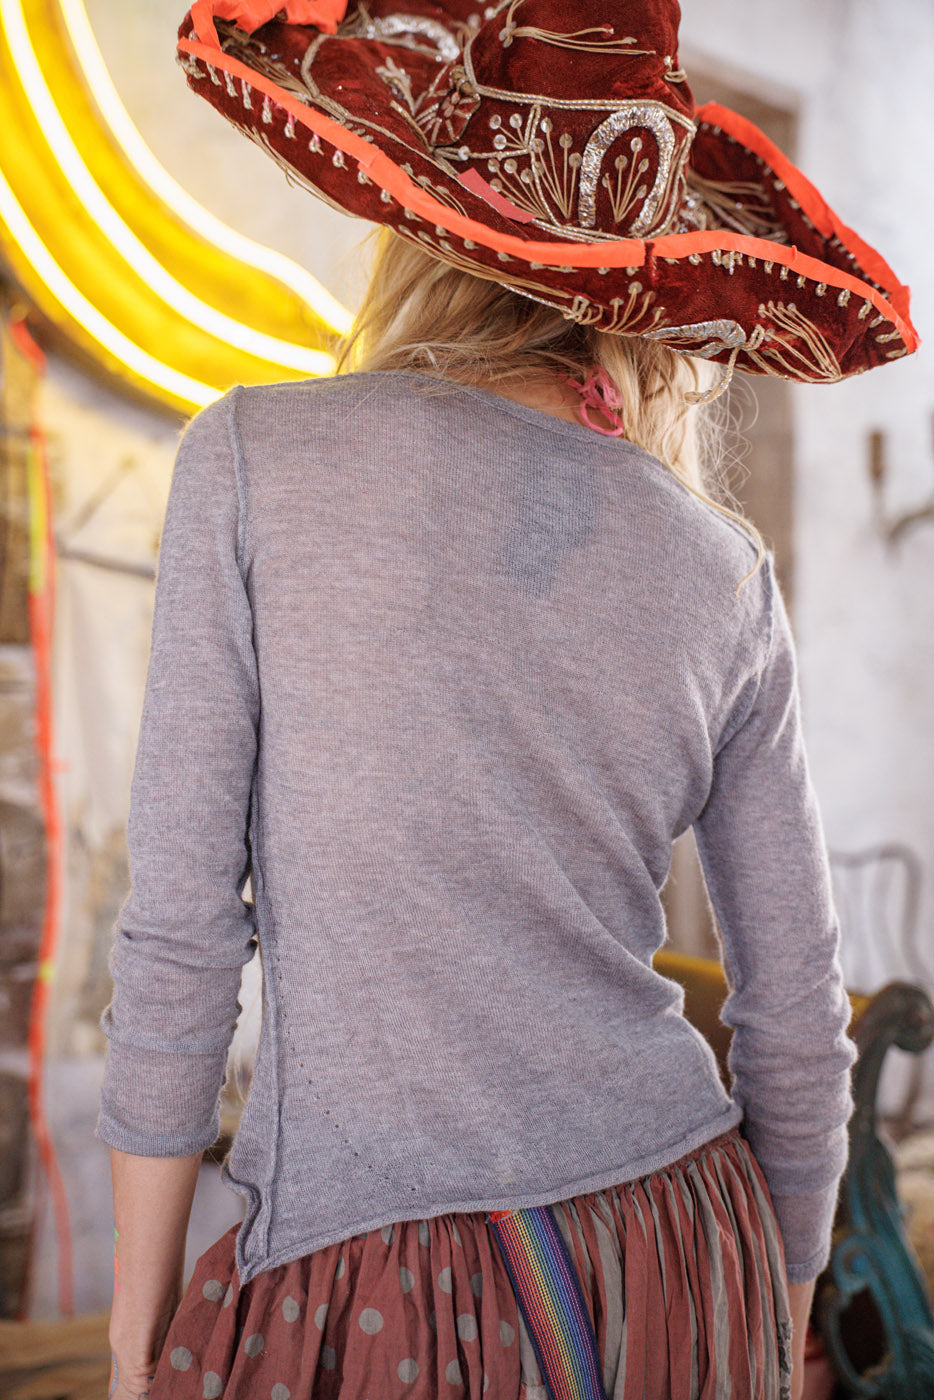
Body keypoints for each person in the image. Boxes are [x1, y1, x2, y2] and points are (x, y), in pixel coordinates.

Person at [97, 2, 918, 1398]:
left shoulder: (252, 463)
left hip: (375, 1275)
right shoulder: (720, 568)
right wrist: (774, 1308)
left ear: (417, 216)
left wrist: (133, 1344)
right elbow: (791, 1021)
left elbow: (181, 938)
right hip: (683, 1241)